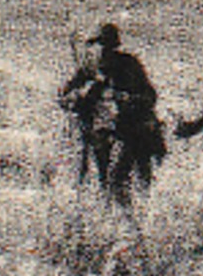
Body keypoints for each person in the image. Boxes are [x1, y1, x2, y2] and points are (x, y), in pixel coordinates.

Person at [57, 22, 165, 203]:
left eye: (106, 46)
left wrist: (127, 98)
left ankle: (131, 219)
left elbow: (150, 96)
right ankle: (111, 218)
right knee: (104, 183)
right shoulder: (88, 69)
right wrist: (84, 93)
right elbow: (64, 98)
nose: (102, 51)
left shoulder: (129, 65)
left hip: (130, 132)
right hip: (100, 135)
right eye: (97, 45)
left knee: (124, 181)